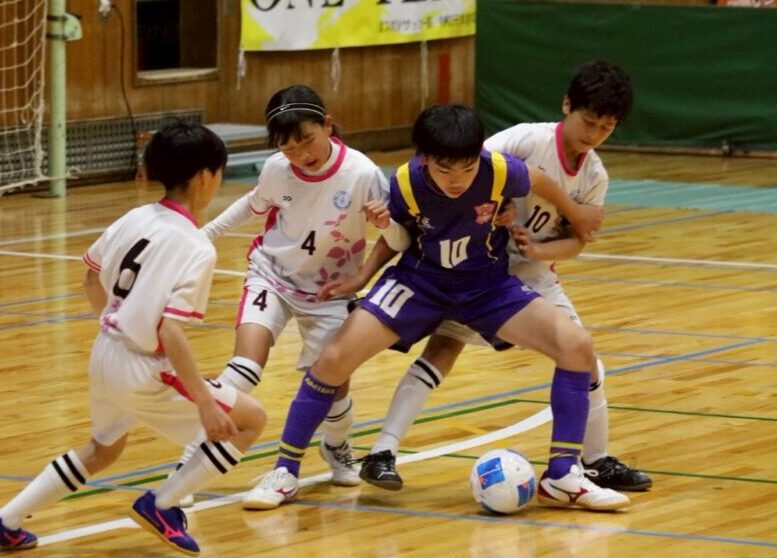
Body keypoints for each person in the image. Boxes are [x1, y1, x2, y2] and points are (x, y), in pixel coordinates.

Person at [242, 103, 630, 512]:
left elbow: (538, 178)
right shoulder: (406, 182)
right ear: (425, 158)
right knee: (333, 360)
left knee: (577, 347)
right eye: (446, 170)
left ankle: (563, 475)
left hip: (486, 286)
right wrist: (363, 276)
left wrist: (574, 212)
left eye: (467, 168)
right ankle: (285, 470)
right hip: (420, 283)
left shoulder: (499, 169)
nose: (457, 180)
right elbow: (396, 236)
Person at [357, 60, 653, 495]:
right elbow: (468, 167)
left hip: (533, 276)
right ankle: (383, 450)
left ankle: (594, 461)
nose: (594, 134)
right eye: (588, 121)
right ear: (566, 105)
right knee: (442, 348)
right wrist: (500, 209)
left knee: (583, 356)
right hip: (475, 265)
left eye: (606, 128)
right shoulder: (526, 140)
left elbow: (576, 242)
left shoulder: (594, 175)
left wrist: (539, 250)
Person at [0, 122, 268, 555]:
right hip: (143, 367)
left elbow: (91, 277)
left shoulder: (136, 216)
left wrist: (116, 321)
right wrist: (204, 401)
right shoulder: (196, 246)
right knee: (250, 420)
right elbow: (170, 330)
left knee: (102, 450)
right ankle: (162, 505)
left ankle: (7, 520)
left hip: (105, 350)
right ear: (205, 176)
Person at [173, 84, 390, 507]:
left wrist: (382, 229)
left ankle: (336, 445)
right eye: (288, 148)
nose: (300, 154)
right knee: (243, 368)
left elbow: (396, 234)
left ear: (327, 125)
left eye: (306, 140)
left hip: (331, 291)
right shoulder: (277, 170)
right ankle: (187, 466)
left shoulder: (362, 173)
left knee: (333, 385)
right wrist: (202, 236)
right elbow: (251, 205)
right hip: (271, 275)